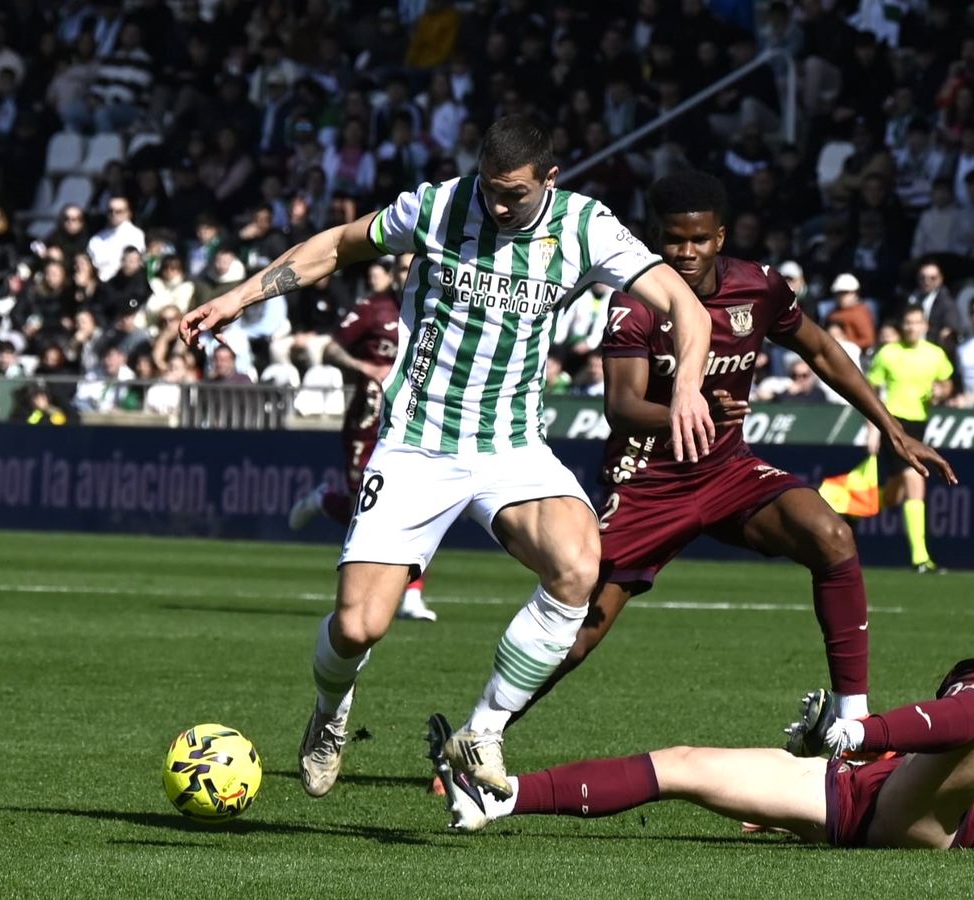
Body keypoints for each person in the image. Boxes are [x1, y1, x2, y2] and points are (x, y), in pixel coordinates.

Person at [181, 114, 717, 802]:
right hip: (417, 444)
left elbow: (685, 305)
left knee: (580, 567)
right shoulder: (436, 206)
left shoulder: (586, 226)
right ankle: (330, 711)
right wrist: (240, 296)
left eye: (514, 195)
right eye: (490, 189)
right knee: (357, 625)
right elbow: (338, 246)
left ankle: (484, 731)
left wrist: (689, 390)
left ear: (549, 181)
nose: (497, 205)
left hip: (512, 445)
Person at [428, 539, 974, 856]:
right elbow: (920, 742)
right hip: (872, 792)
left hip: (945, 820)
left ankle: (843, 728)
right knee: (685, 764)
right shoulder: (963, 670)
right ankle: (498, 795)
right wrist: (793, 804)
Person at [505, 172, 953, 733]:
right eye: (673, 240)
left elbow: (819, 347)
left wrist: (890, 428)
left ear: (720, 237)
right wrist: (689, 414)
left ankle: (851, 726)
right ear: (654, 239)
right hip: (649, 483)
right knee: (581, 632)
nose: (685, 253)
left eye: (698, 240)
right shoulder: (636, 303)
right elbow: (621, 407)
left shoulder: (758, 287)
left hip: (726, 470)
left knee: (831, 536)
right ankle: (485, 730)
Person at [288, 255, 436, 623]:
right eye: (401, 269)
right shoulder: (373, 308)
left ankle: (412, 595)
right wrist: (364, 367)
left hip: (417, 418)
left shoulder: (437, 303)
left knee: (418, 506)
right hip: (368, 417)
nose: (406, 274)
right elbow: (332, 348)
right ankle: (327, 500)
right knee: (363, 509)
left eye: (411, 268)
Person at [867, 305, 954, 573]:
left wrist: (941, 392)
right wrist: (872, 428)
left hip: (920, 424)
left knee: (895, 494)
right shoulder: (888, 353)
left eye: (917, 322)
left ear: (925, 326)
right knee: (915, 483)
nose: (912, 327)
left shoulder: (935, 354)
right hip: (894, 425)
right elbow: (869, 391)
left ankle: (848, 508)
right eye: (908, 322)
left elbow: (947, 383)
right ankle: (921, 558)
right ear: (902, 325)